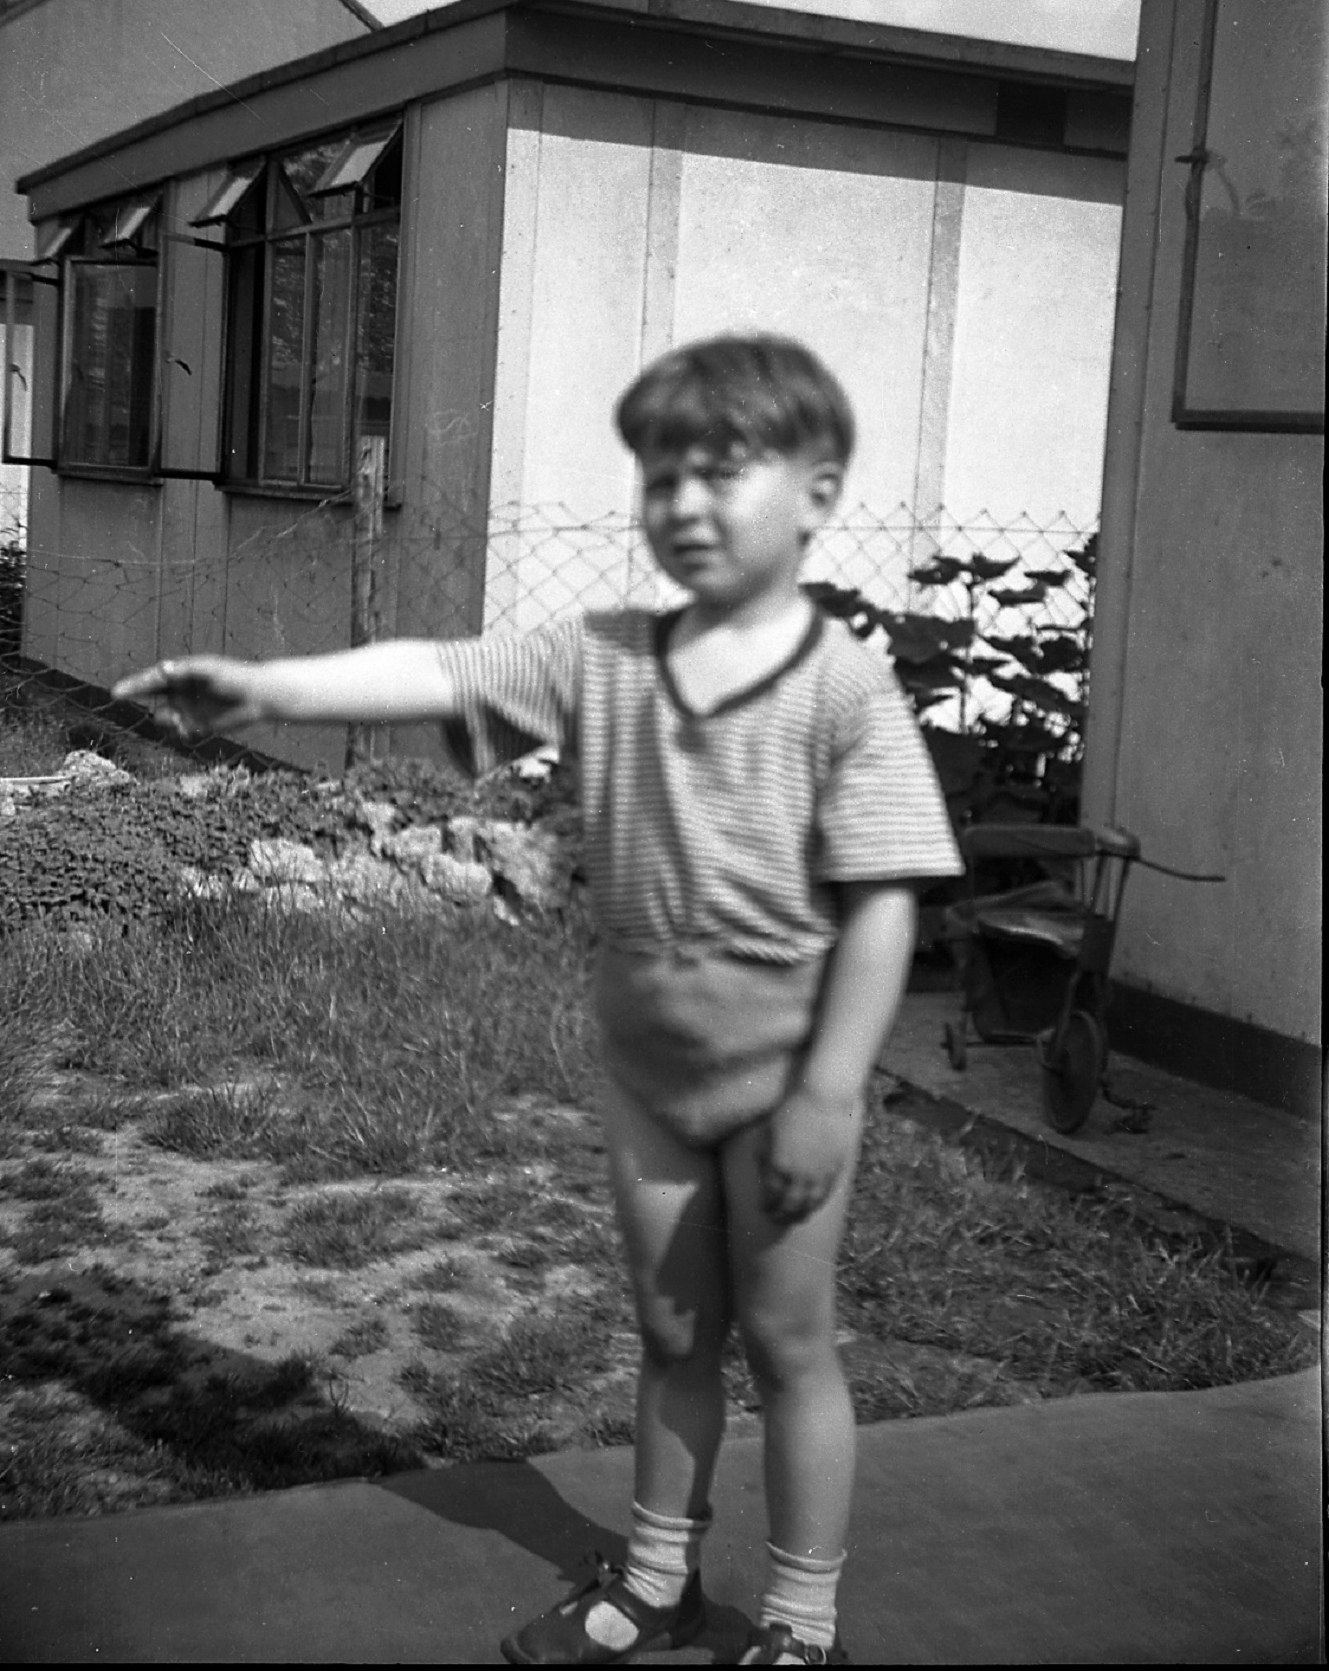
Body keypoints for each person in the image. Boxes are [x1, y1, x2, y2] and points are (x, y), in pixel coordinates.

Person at [116, 333, 962, 1667]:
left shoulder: (843, 690)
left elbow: (885, 907)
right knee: (674, 1331)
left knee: (792, 1347)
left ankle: (803, 1623)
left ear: (816, 492)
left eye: (723, 473)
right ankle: (660, 1582)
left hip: (790, 1088)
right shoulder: (604, 657)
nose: (684, 503)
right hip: (651, 1083)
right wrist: (267, 687)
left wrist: (826, 1094)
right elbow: (442, 673)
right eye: (660, 477)